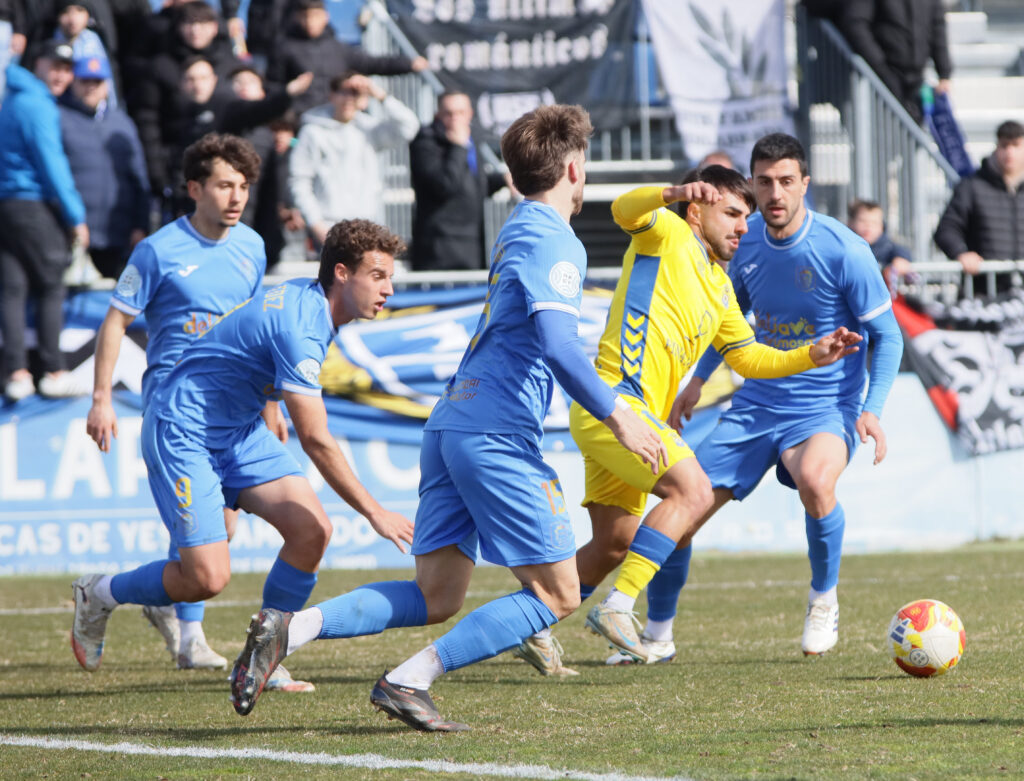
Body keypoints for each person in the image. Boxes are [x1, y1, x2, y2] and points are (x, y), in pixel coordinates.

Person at [223, 104, 668, 731]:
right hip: (495, 432)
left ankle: (289, 629)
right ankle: (409, 680)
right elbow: (560, 345)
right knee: (559, 593)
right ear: (574, 168)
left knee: (437, 595)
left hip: (453, 423)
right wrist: (619, 414)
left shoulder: (519, 225)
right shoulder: (555, 240)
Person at [514, 165, 864, 674]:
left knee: (614, 543)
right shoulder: (667, 233)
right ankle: (618, 607)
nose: (743, 227)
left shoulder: (721, 287)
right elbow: (623, 210)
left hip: (630, 422)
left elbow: (748, 358)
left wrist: (811, 354)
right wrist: (670, 193)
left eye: (746, 218)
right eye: (733, 214)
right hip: (615, 406)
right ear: (696, 212)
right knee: (694, 492)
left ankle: (530, 622)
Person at [71, 212, 415, 679]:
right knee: (205, 578)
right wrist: (376, 512)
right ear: (341, 272)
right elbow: (316, 439)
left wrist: (268, 407)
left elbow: (254, 349)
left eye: (389, 277)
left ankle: (262, 659)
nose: (388, 288)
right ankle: (99, 593)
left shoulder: (309, 301)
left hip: (238, 430)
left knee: (312, 531)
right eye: (377, 276)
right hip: (184, 429)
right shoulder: (302, 327)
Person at [606, 133, 904, 664]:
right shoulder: (743, 242)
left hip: (823, 406)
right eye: (764, 182)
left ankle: (823, 601)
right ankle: (656, 635)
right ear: (752, 184)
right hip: (755, 406)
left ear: (805, 183)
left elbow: (889, 336)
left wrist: (873, 410)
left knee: (816, 481)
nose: (775, 193)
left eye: (786, 181)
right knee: (682, 508)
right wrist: (697, 381)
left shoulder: (844, 250)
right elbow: (726, 317)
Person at [0, 39, 87, 401]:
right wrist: (76, 216)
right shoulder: (36, 104)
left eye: (67, 70)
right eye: (55, 67)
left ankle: (16, 373)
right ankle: (54, 371)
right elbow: (53, 165)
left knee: (12, 288)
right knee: (52, 284)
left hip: (6, 207)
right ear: (36, 64)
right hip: (31, 205)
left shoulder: (12, 98)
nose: (61, 76)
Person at [289, 70, 419, 246]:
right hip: (329, 226)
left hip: (368, 224)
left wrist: (378, 93)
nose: (349, 98)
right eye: (343, 92)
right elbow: (299, 180)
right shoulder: (312, 132)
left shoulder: (369, 128)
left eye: (355, 93)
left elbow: (409, 126)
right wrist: (316, 224)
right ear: (332, 95)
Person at [59, 54, 149, 279]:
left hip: (117, 234)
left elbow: (138, 176)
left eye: (97, 81)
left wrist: (141, 224)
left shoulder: (122, 123)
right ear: (73, 82)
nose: (91, 87)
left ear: (107, 85)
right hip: (72, 233)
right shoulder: (58, 118)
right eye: (85, 81)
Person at [266, 0, 427, 116]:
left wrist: (408, 64)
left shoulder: (338, 48)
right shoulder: (284, 48)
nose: (310, 22)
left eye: (315, 16)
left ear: (325, 16)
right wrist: (289, 94)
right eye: (305, 16)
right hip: (300, 119)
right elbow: (272, 86)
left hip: (336, 117)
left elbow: (373, 64)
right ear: (297, 18)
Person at [409, 90, 507, 271]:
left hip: (471, 246)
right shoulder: (426, 142)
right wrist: (458, 147)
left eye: (461, 112)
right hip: (439, 249)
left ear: (470, 114)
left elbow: (472, 186)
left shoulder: (471, 140)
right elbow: (444, 184)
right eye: (449, 113)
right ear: (437, 115)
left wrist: (502, 180)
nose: (455, 118)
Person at [933, 120, 1024, 295]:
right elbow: (946, 229)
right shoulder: (972, 186)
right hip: (983, 293)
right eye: (1004, 145)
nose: (1010, 152)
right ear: (996, 147)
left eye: (1016, 145)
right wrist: (961, 253)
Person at [838, 0, 952, 125]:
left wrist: (944, 73)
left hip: (916, 81)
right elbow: (856, 24)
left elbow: (937, 27)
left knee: (911, 131)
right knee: (882, 132)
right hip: (879, 79)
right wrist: (880, 65)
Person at [847, 198, 913, 297]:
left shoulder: (887, 247)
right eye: (862, 221)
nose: (868, 226)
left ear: (882, 226)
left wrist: (901, 259)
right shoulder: (844, 247)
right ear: (850, 223)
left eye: (874, 222)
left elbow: (899, 251)